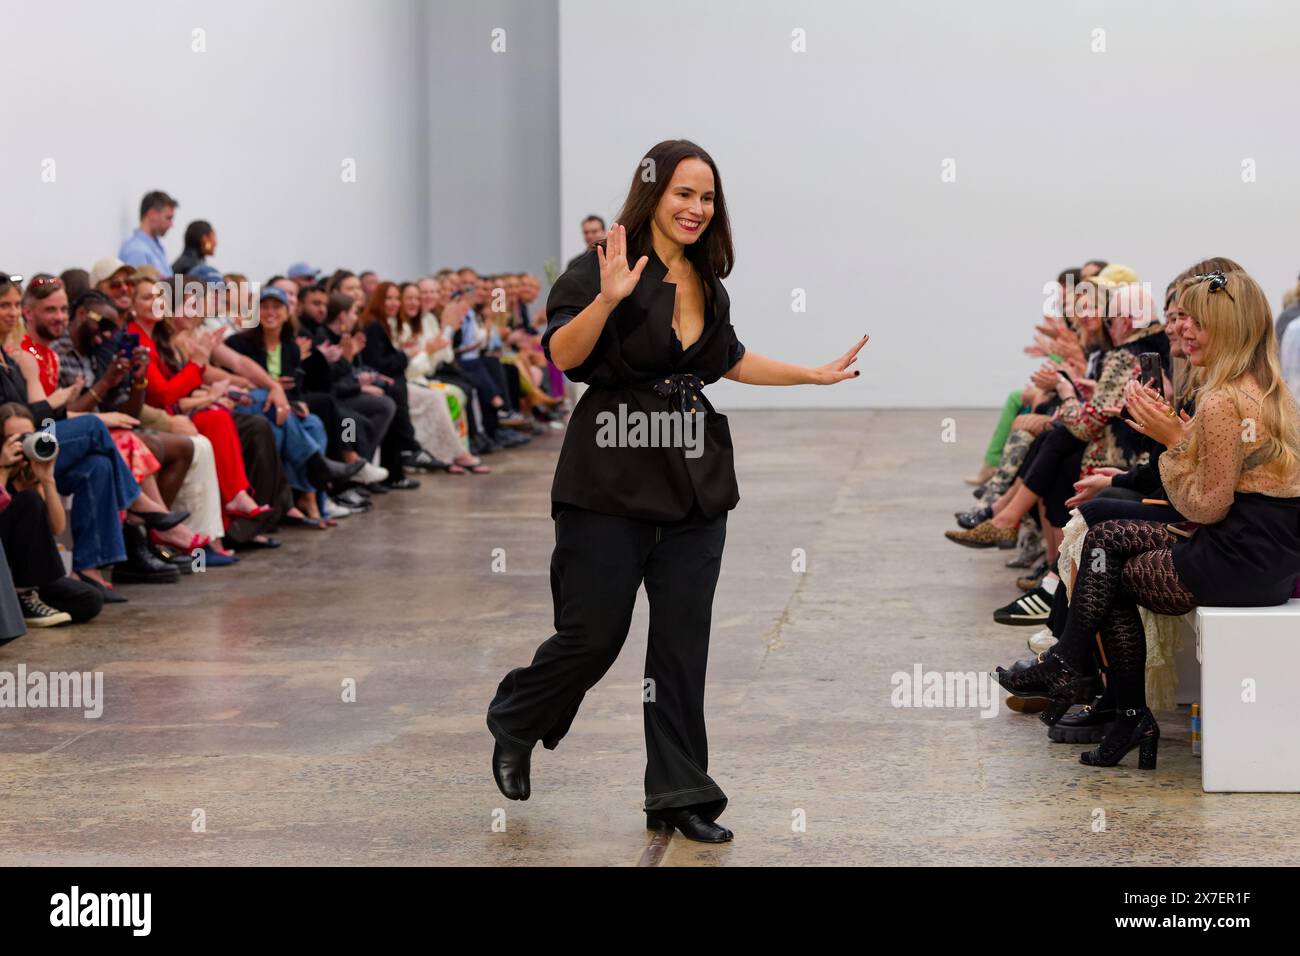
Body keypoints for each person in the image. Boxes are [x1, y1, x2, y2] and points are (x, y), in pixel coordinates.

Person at [485, 140, 867, 843]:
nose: (696, 208)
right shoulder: (603, 264)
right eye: (684, 194)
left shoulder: (706, 279)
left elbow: (729, 359)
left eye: (708, 197)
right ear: (652, 193)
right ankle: (518, 716)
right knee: (592, 635)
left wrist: (810, 376)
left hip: (694, 480)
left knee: (681, 645)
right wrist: (607, 300)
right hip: (609, 475)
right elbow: (563, 357)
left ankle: (679, 792)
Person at [997, 269, 1300, 769]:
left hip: (1240, 558)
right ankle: (1100, 691)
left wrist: (1172, 442)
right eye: (1177, 320)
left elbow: (1206, 506)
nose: (1179, 332)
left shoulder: (1224, 400)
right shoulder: (1267, 389)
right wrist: (1176, 443)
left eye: (1194, 323)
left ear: (1227, 328)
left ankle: (1104, 692)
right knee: (1107, 543)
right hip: (1266, 552)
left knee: (1106, 558)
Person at [118, 191, 178, 277]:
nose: (171, 224)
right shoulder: (137, 251)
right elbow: (138, 288)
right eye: (168, 218)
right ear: (152, 214)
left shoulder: (154, 247)